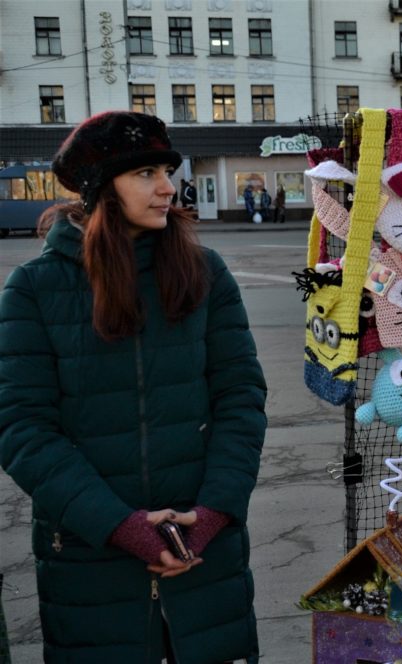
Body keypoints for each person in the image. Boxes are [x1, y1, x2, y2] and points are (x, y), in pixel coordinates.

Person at [0, 111, 267, 663]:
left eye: (168, 171)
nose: (168, 187)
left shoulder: (204, 272)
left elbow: (240, 399)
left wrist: (214, 514)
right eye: (146, 173)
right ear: (102, 190)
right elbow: (22, 428)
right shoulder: (35, 289)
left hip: (205, 557)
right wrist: (122, 528)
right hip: (91, 563)